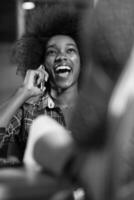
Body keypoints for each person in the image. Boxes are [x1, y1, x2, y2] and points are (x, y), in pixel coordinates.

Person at [0, 4, 83, 164]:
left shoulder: (96, 108)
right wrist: (23, 92)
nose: (61, 56)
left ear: (82, 60)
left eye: (70, 50)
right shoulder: (28, 112)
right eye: (52, 52)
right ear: (41, 63)